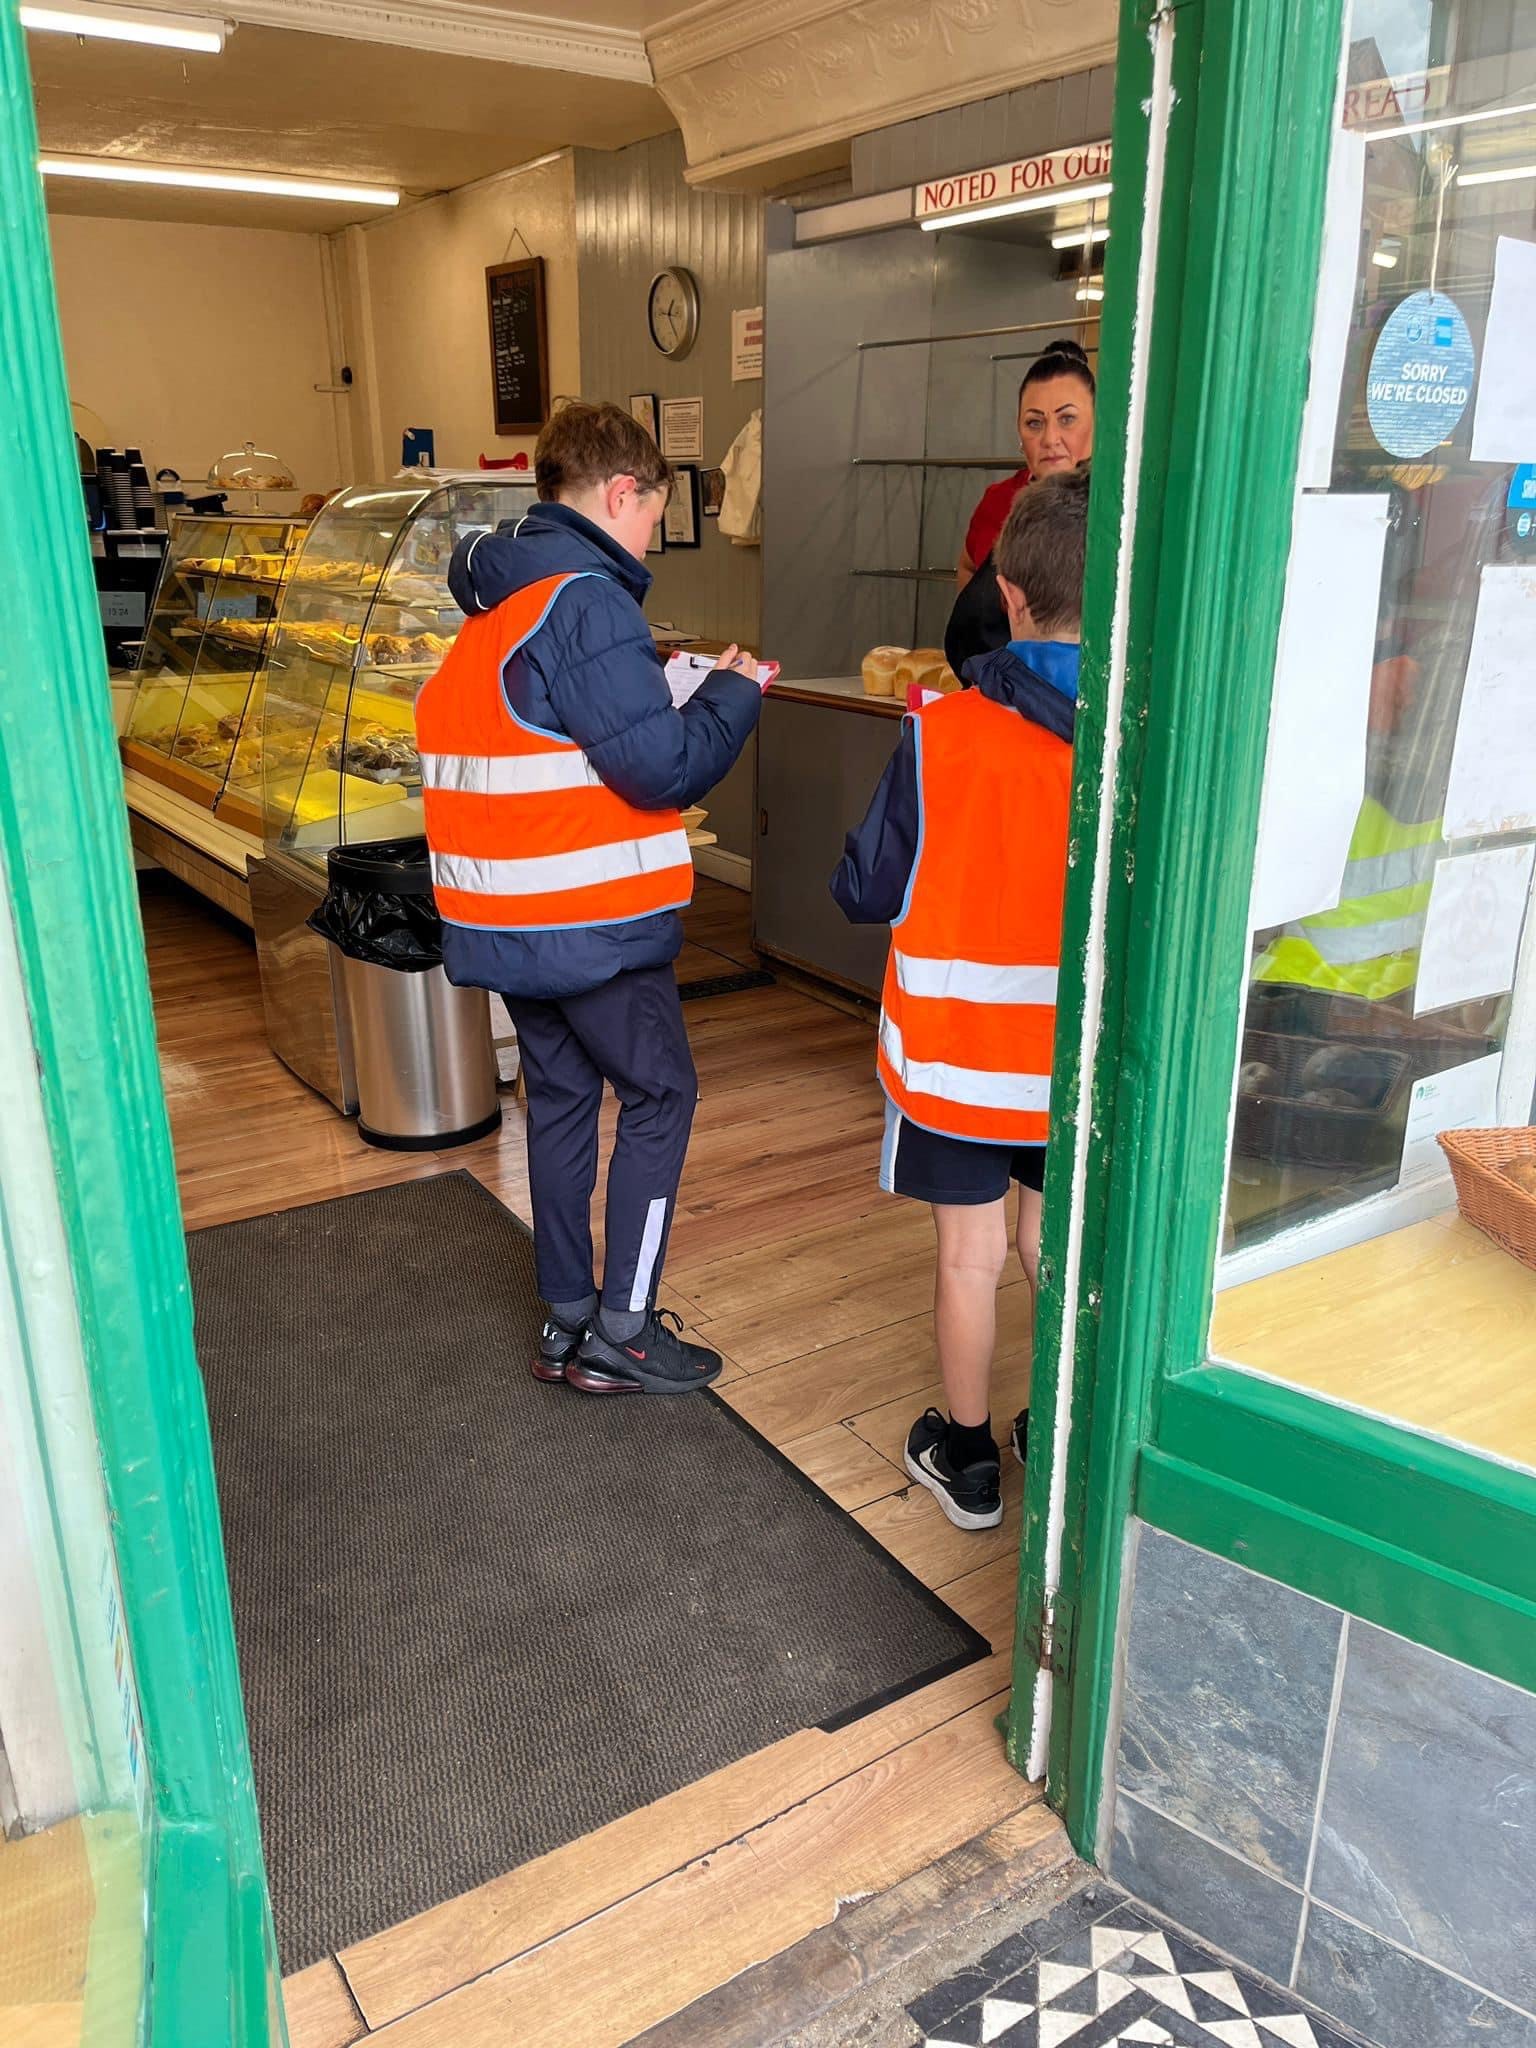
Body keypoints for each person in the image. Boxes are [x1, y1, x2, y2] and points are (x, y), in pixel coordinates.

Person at [415, 400, 763, 1395]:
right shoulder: (588, 602)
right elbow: (660, 771)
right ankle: (626, 1327)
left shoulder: (497, 607)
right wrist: (734, 694)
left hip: (508, 925)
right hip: (595, 927)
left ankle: (567, 1319)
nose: (649, 534)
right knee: (663, 1093)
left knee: (562, 1100)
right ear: (621, 494)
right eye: (651, 513)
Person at [832, 468, 1089, 1530]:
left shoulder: (939, 735)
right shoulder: (1139, 742)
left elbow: (865, 887)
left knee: (969, 1252)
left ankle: (970, 1455)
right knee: (1050, 1244)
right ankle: (1066, 1428)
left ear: (1009, 596)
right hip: (1071, 1066)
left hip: (954, 1064)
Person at [946, 339, 1096, 674]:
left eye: (1067, 419)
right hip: (990, 703)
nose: (1049, 438)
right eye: (1034, 423)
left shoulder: (1117, 511)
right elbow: (968, 565)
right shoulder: (998, 501)